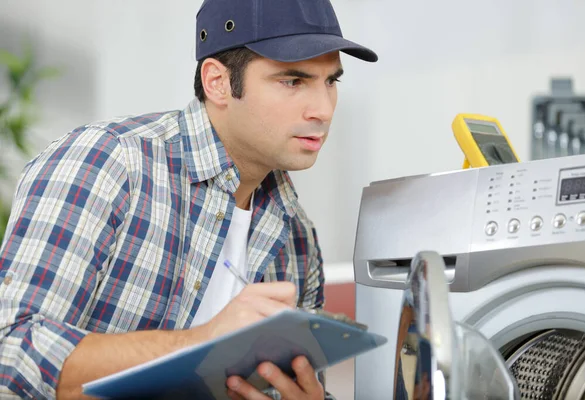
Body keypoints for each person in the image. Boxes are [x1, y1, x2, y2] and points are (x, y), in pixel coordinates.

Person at [0, 0, 378, 398]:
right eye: (293, 81)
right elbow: (11, 352)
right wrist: (203, 342)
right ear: (217, 82)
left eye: (331, 81)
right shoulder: (108, 163)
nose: (322, 109)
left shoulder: (296, 236)